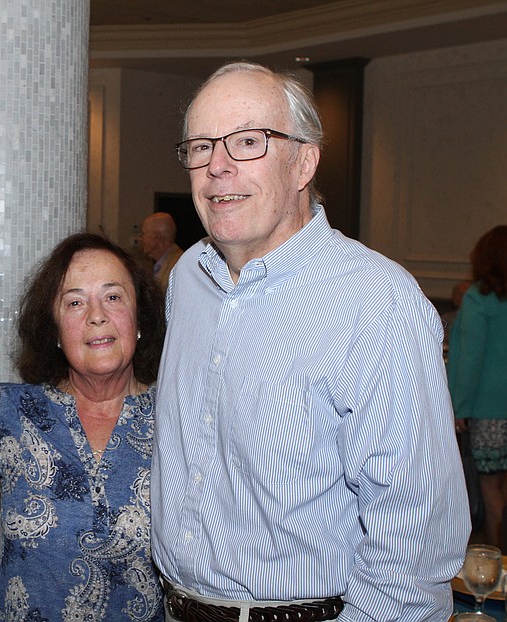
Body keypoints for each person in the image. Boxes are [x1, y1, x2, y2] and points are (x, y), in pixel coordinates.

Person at [152, 61, 469, 621]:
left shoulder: (376, 302)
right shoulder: (188, 279)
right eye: (200, 147)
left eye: (248, 142)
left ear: (304, 160)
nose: (218, 166)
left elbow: (415, 543)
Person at [0, 233, 166, 621]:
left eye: (113, 297)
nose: (96, 315)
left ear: (140, 318)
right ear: (56, 331)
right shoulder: (12, 412)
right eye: (75, 302)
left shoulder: (176, 417)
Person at [449, 225, 507, 548]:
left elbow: (469, 360)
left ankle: (500, 570)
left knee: (491, 493)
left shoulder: (479, 300)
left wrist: (459, 408)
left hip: (488, 411)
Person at [140, 212, 183, 291]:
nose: (141, 238)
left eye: (143, 234)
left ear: (156, 238)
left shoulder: (178, 266)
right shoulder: (158, 265)